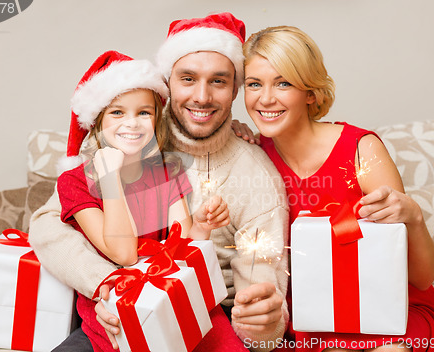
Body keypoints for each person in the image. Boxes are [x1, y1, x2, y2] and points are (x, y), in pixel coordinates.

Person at [29, 13, 289, 352]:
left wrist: (263, 322)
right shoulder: (129, 131)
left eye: (218, 82)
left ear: (235, 88)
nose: (201, 96)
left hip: (201, 311)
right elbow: (48, 223)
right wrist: (104, 286)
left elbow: (261, 304)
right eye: (187, 78)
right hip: (110, 312)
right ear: (167, 82)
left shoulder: (255, 176)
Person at [236, 25, 434, 351]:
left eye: (283, 82)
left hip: (389, 312)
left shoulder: (360, 149)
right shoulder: (251, 157)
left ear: (310, 92)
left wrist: (414, 218)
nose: (265, 98)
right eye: (254, 84)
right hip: (313, 320)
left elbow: (420, 279)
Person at [55, 50, 233, 351]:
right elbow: (124, 254)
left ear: (155, 118)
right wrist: (109, 178)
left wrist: (201, 227)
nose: (132, 124)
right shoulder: (74, 183)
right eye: (117, 113)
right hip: (116, 308)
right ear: (97, 121)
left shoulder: (165, 169)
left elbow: (182, 246)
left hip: (170, 294)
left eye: (143, 113)